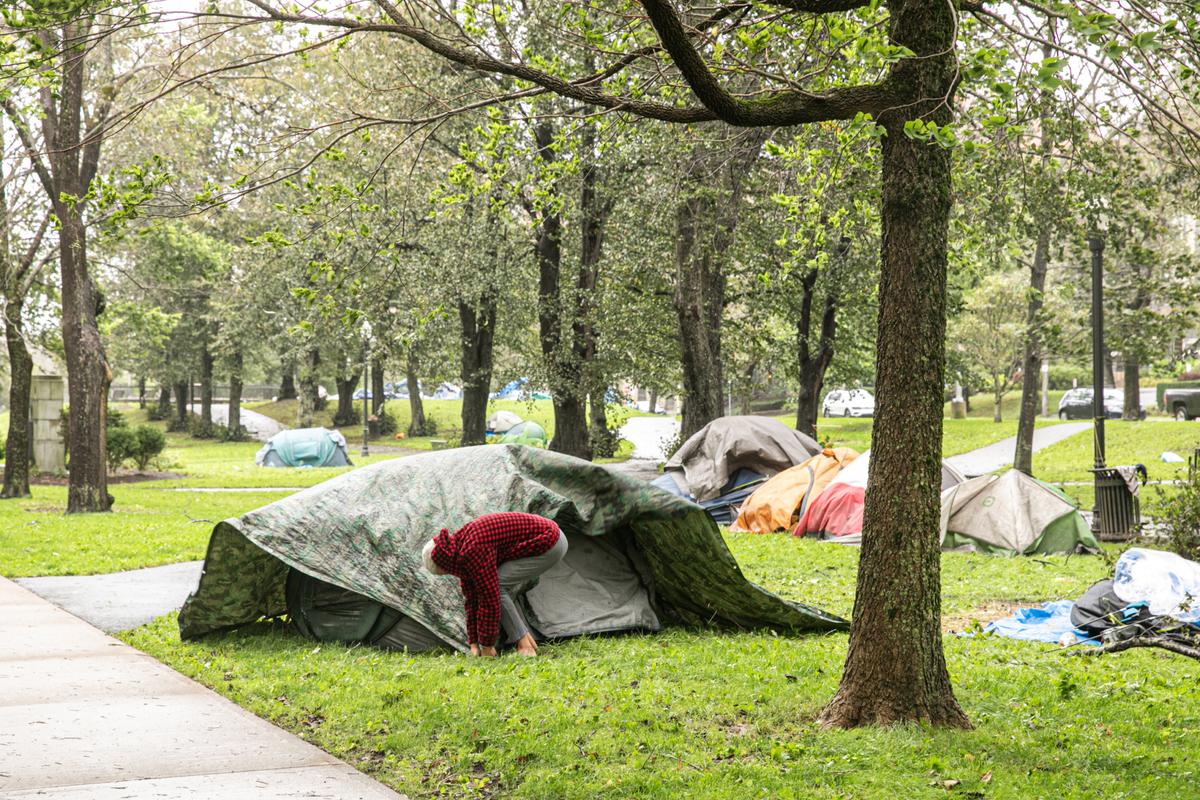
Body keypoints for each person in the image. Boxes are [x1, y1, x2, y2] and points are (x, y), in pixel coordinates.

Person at [421, 511, 567, 657]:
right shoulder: (460, 548)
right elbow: (471, 598)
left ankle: (526, 648)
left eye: (446, 572)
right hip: (551, 538)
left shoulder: (474, 549)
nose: (451, 574)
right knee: (496, 587)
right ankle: (528, 642)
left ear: (445, 563)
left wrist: (487, 645)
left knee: (496, 588)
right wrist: (473, 643)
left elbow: (489, 598)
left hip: (550, 541)